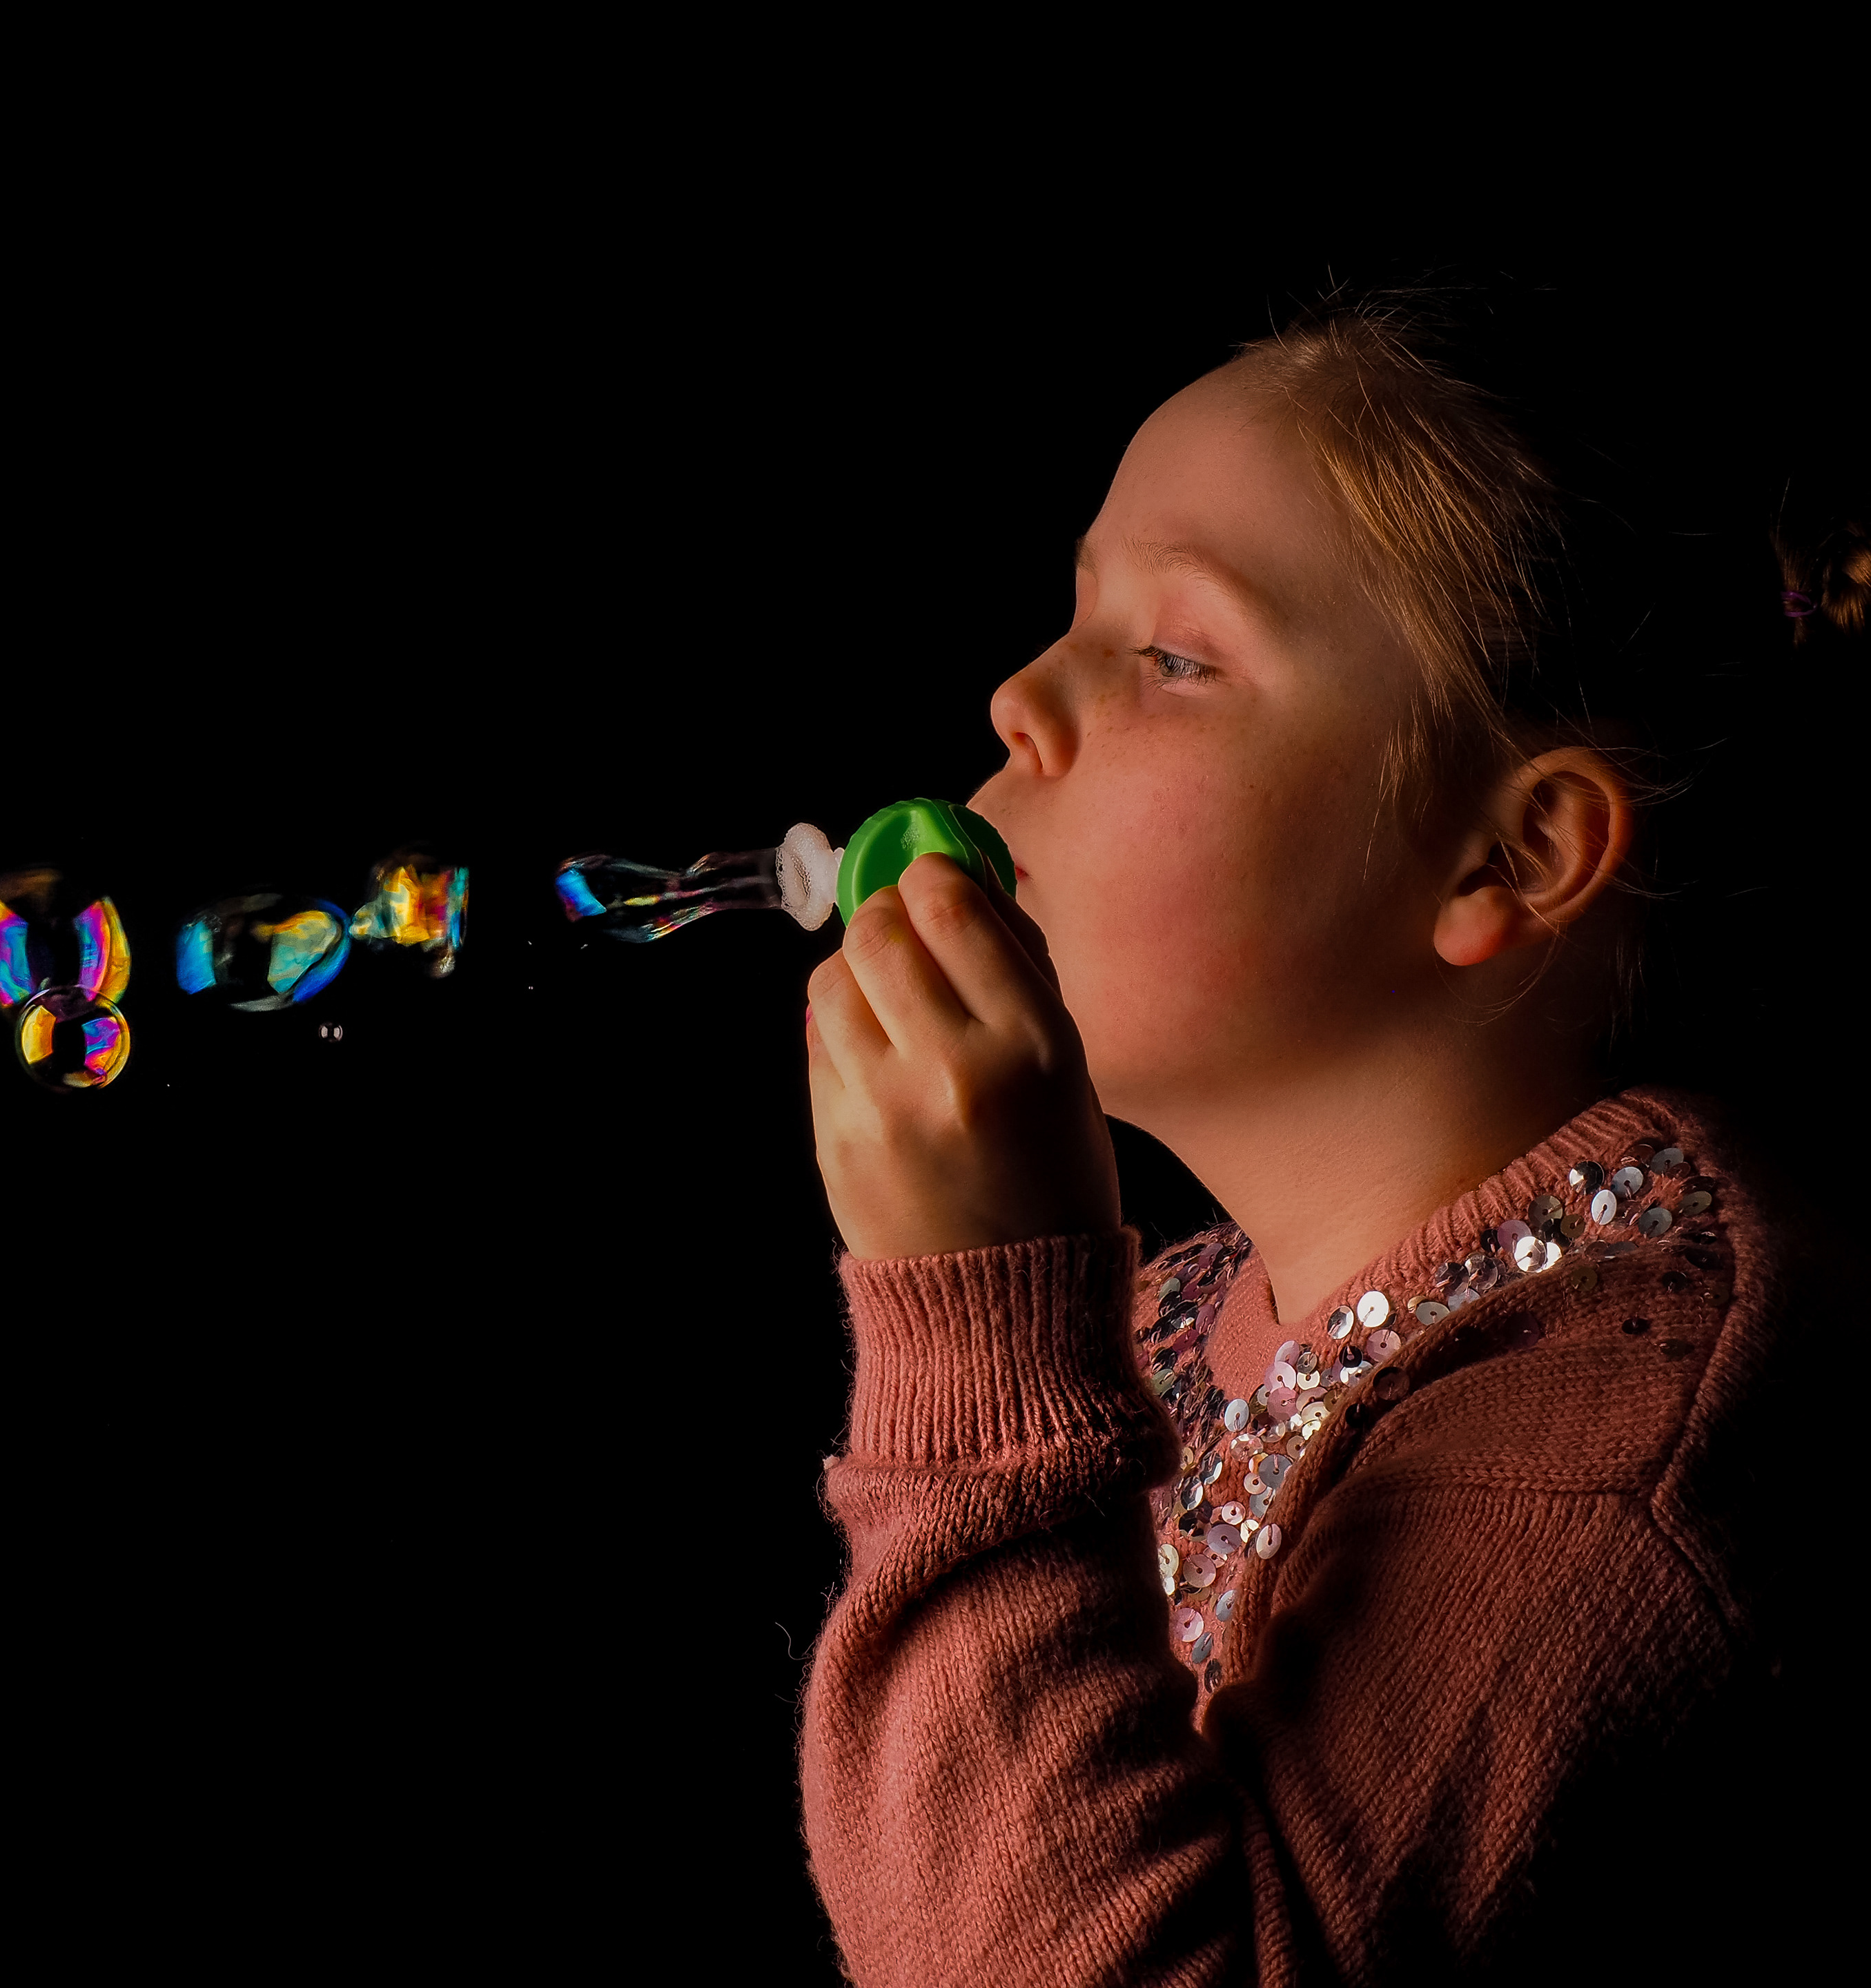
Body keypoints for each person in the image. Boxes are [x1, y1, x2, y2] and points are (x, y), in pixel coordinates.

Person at [796, 290, 1859, 1983]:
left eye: (1174, 656)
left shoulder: (1619, 1466)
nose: (1015, 700)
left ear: (1505, 861)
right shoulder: (1181, 1313)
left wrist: (977, 1348)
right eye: (1074, 615)